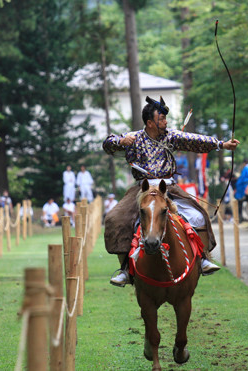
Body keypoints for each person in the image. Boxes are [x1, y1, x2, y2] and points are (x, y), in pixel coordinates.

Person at [102, 95, 239, 287]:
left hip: (168, 187)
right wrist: (121, 142)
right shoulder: (133, 138)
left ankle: (203, 258)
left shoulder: (170, 136)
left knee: (198, 215)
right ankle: (125, 268)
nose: (165, 123)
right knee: (115, 219)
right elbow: (107, 143)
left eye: (165, 119)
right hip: (142, 188)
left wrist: (221, 144)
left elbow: (194, 140)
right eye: (161, 120)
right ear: (150, 123)